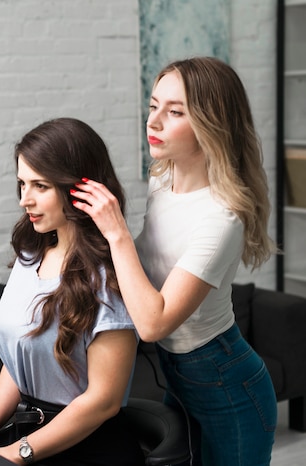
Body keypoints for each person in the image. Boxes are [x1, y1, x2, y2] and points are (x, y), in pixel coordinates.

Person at [71, 56, 278, 465]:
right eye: (153, 106)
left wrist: (117, 233)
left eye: (175, 111)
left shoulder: (222, 218)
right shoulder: (161, 180)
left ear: (211, 123)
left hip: (227, 383)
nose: (154, 121)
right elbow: (142, 275)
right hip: (179, 375)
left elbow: (153, 323)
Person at [0, 117, 145, 465]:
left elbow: (104, 400)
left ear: (80, 189)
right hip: (25, 436)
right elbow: (20, 356)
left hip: (87, 449)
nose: (24, 200)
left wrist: (20, 453)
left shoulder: (110, 279)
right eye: (21, 184)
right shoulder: (31, 256)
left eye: (40, 186)